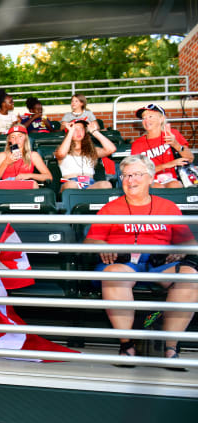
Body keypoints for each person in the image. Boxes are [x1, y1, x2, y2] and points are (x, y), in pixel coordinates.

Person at [84, 154, 197, 364]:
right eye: (126, 175)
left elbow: (190, 243)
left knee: (190, 276)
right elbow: (91, 241)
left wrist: (181, 250)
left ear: (150, 178)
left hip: (159, 263)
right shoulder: (111, 208)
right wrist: (104, 246)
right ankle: (128, 345)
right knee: (114, 275)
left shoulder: (168, 207)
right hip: (123, 263)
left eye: (136, 175)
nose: (130, 180)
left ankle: (170, 346)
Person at [130, 103, 193, 189]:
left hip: (174, 178)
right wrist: (167, 165)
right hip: (150, 180)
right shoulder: (138, 144)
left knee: (175, 185)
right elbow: (137, 171)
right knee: (156, 187)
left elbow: (190, 158)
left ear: (161, 119)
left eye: (150, 117)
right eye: (144, 118)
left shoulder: (173, 134)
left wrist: (176, 145)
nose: (146, 120)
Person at [55, 118, 116, 191]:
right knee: (71, 184)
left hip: (89, 184)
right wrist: (70, 132)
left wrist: (94, 131)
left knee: (106, 184)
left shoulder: (92, 150)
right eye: (75, 129)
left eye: (81, 129)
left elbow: (111, 149)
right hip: (70, 182)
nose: (79, 132)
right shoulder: (62, 149)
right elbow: (61, 154)